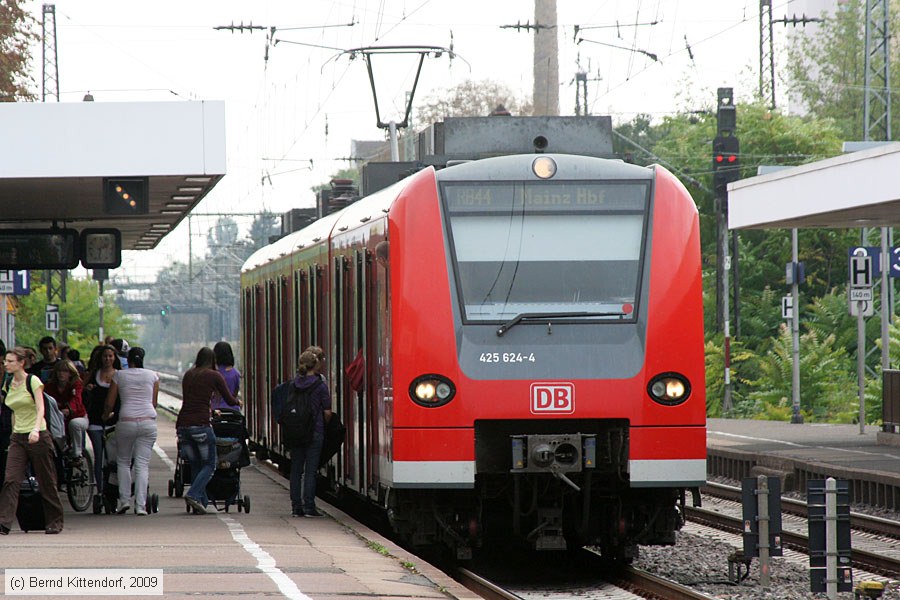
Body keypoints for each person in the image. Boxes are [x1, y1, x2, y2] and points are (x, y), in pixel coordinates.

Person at [0, 347, 65, 534]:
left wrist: (36, 429)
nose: (6, 364)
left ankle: (54, 520)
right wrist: (13, 434)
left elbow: (40, 408)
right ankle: (4, 521)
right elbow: (14, 410)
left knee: (46, 480)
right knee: (11, 478)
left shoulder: (33, 381)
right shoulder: (8, 382)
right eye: (6, 361)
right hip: (18, 437)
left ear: (21, 363)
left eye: (10, 361)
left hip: (38, 435)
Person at [177, 347, 240, 514]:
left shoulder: (189, 374)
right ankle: (193, 493)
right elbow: (228, 398)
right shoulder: (214, 375)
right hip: (201, 426)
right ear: (213, 361)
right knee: (210, 464)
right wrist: (237, 402)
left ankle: (200, 503)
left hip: (183, 426)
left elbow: (192, 400)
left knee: (196, 464)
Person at [272, 350, 332, 518]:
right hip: (315, 432)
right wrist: (323, 424)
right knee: (310, 471)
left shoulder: (293, 384)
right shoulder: (320, 386)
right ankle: (309, 506)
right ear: (317, 365)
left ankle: (296, 507)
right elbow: (327, 412)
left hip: (295, 431)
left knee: (296, 470)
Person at [104, 347, 158, 515]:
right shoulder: (153, 376)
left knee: (123, 461)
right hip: (148, 422)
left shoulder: (119, 375)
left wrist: (105, 415)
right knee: (142, 464)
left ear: (129, 359)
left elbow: (110, 402)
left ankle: (124, 501)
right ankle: (141, 506)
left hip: (126, 422)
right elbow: (153, 403)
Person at [83, 345, 121, 491]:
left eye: (111, 356)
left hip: (114, 423)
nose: (108, 359)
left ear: (115, 358)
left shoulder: (119, 375)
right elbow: (81, 394)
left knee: (112, 457)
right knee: (99, 456)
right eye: (105, 356)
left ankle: (112, 487)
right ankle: (100, 489)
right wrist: (87, 391)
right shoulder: (93, 374)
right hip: (95, 421)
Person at [43, 360, 88, 457]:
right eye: (59, 371)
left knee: (74, 424)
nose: (61, 374)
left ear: (70, 373)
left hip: (76, 416)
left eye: (65, 371)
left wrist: (69, 409)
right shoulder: (49, 387)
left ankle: (77, 454)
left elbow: (77, 400)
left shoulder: (76, 385)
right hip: (57, 419)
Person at [211, 341, 241, 412]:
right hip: (233, 410)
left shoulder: (213, 373)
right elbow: (235, 393)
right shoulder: (236, 373)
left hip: (216, 410)